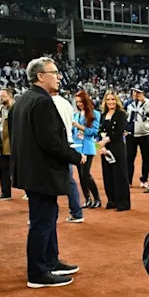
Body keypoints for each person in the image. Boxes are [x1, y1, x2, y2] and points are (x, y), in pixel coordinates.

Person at [11, 57, 84, 288]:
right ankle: (38, 272)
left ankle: (50, 261)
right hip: (42, 172)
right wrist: (76, 157)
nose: (59, 76)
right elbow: (50, 142)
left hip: (32, 172)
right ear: (41, 76)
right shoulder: (41, 102)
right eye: (54, 72)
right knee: (42, 221)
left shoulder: (23, 100)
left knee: (47, 218)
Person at [48, 87, 83, 223]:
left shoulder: (47, 102)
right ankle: (76, 212)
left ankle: (49, 214)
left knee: (48, 179)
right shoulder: (67, 103)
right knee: (69, 179)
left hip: (55, 143)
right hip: (68, 142)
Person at [97, 91, 130, 211]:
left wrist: (105, 141)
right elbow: (100, 130)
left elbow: (119, 132)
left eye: (113, 100)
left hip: (116, 147)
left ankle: (123, 202)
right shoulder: (103, 115)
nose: (111, 102)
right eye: (108, 100)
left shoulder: (121, 114)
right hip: (105, 148)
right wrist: (102, 145)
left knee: (119, 174)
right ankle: (112, 200)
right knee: (108, 174)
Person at [72, 90, 101, 208]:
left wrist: (80, 127)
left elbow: (94, 132)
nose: (79, 104)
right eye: (77, 102)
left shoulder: (95, 114)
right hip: (77, 147)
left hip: (88, 147)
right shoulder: (75, 115)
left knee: (85, 174)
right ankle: (87, 199)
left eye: (81, 101)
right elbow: (73, 132)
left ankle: (97, 199)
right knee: (80, 175)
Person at [125, 88, 149, 188]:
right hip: (131, 134)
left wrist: (143, 101)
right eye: (134, 92)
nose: (136, 94)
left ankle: (144, 179)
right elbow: (126, 117)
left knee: (146, 158)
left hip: (144, 134)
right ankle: (128, 180)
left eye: (138, 92)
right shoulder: (128, 104)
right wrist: (125, 129)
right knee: (129, 158)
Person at [0, 88, 14, 201]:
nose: (0, 98)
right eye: (0, 96)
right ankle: (5, 193)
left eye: (3, 96)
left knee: (20, 171)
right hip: (2, 146)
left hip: (14, 146)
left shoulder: (16, 108)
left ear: (10, 96)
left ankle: (30, 192)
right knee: (3, 170)